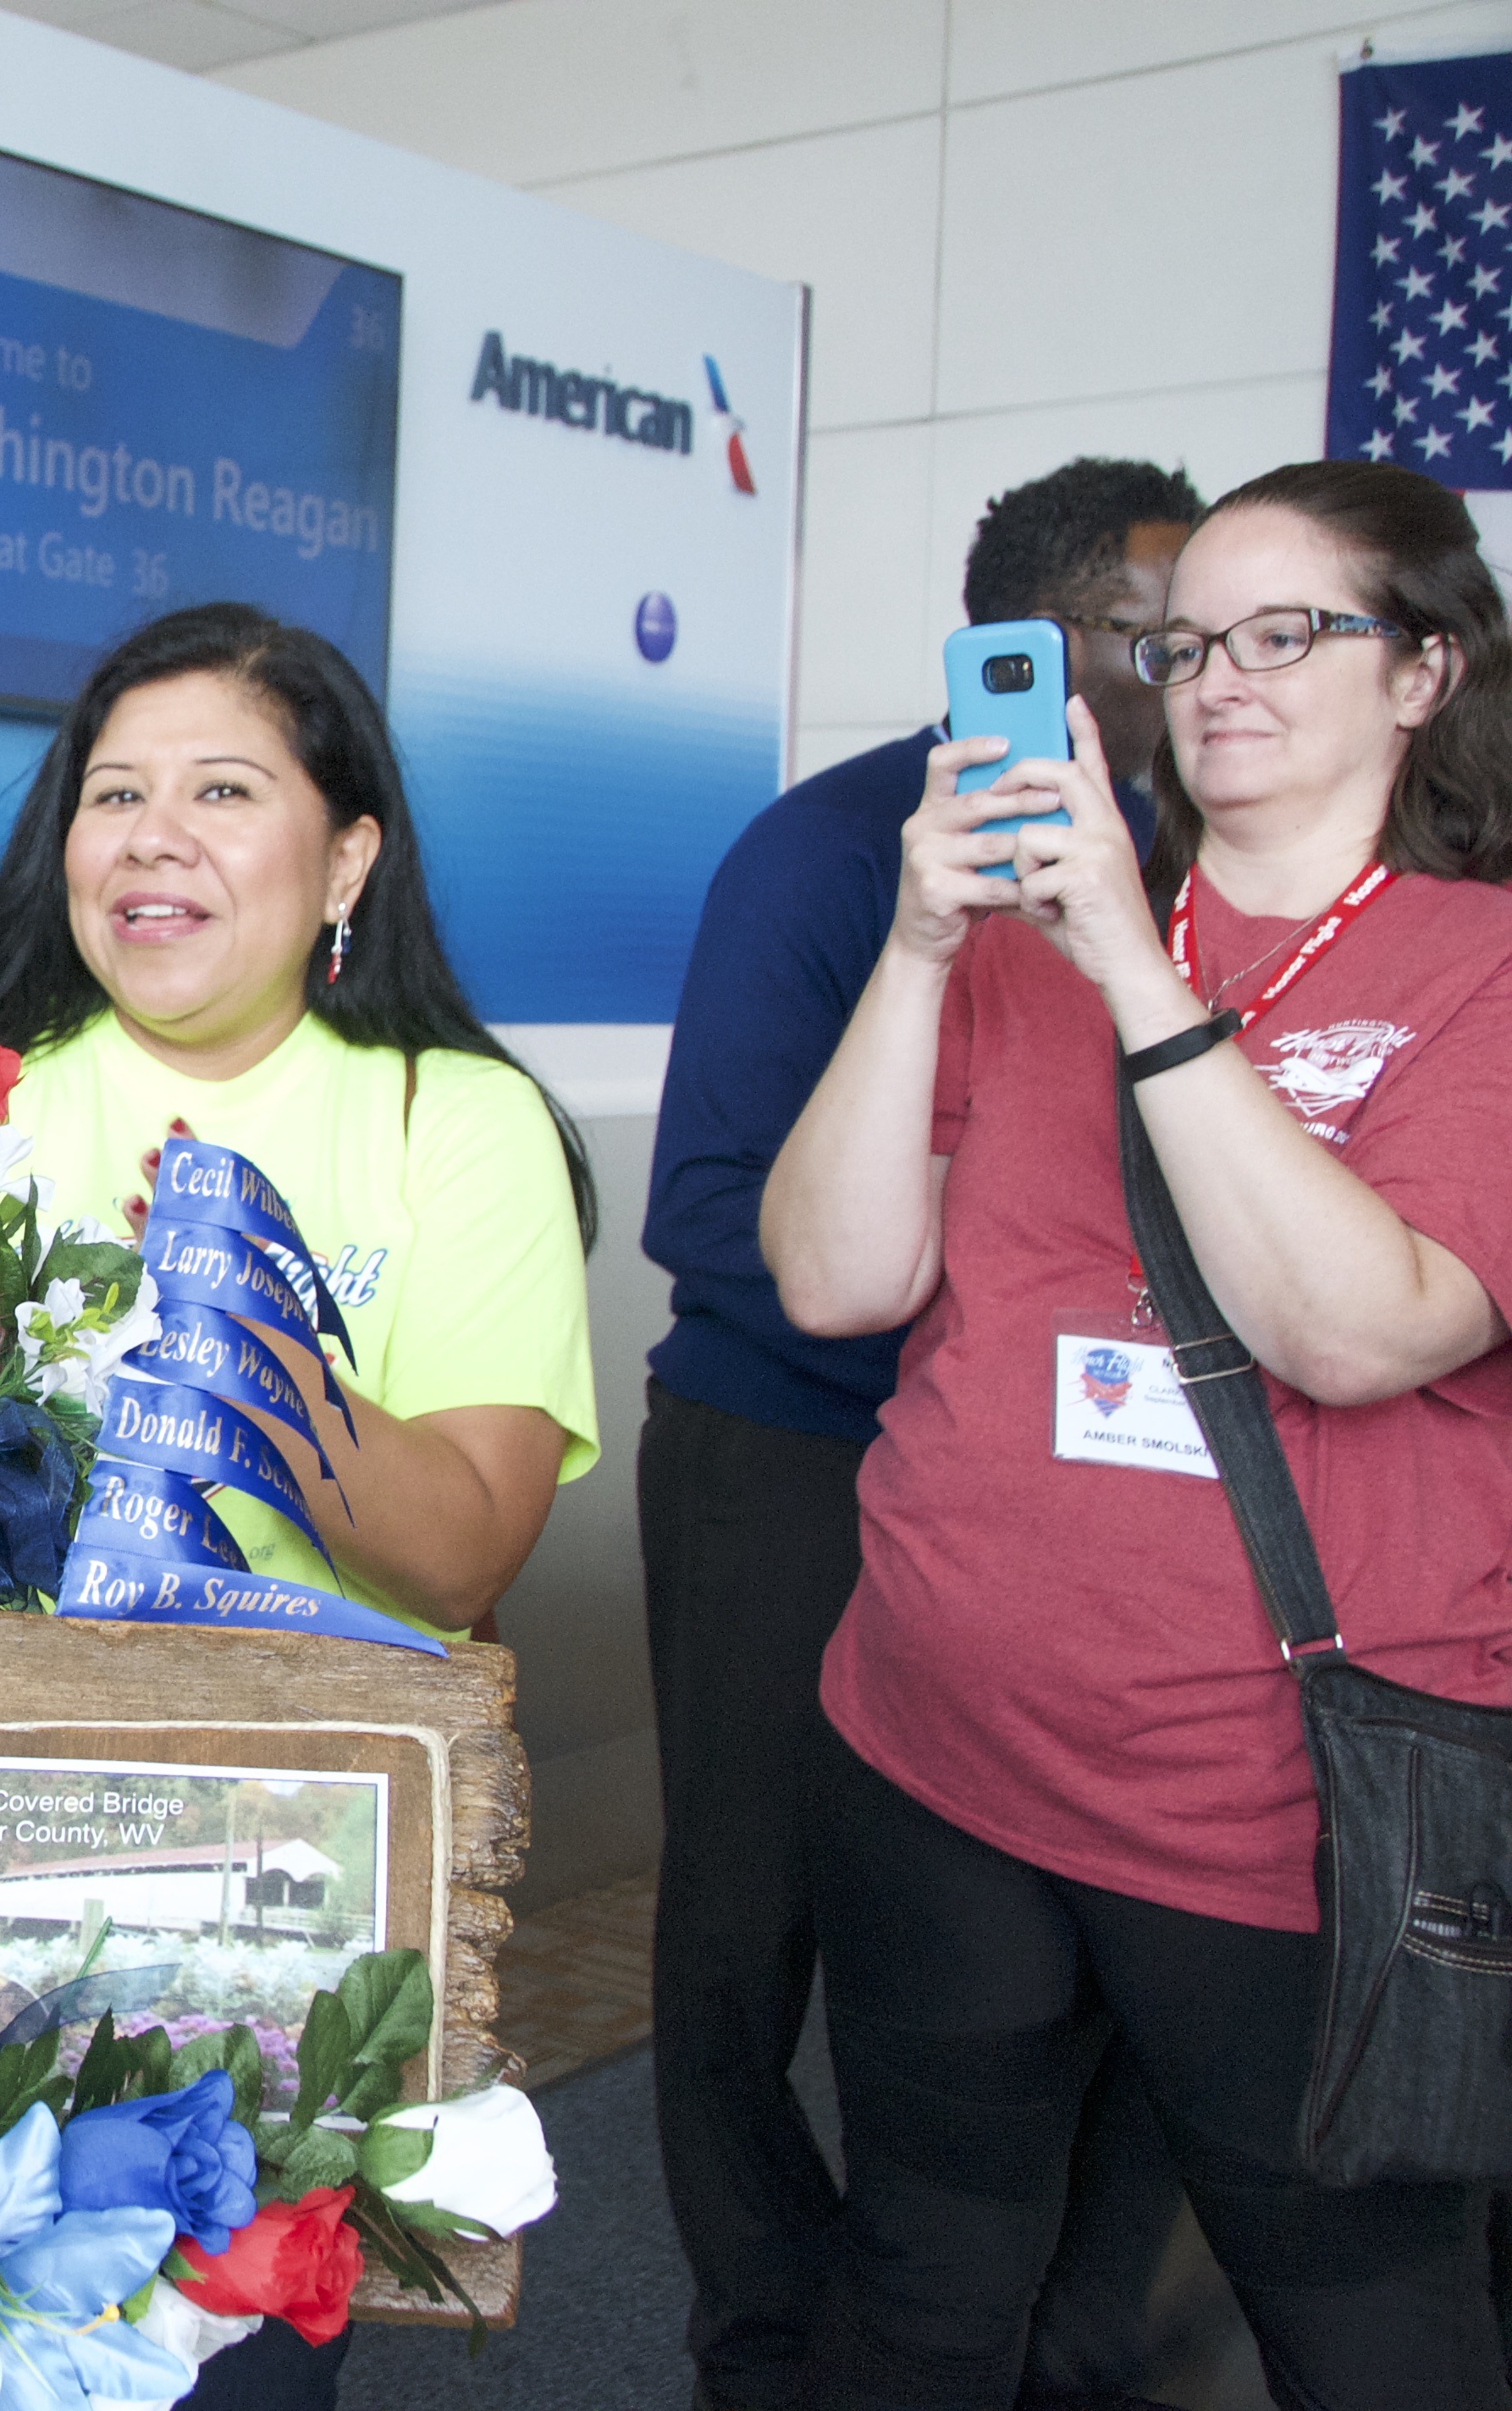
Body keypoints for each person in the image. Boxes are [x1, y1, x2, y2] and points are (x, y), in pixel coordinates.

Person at [762, 457, 1512, 2408]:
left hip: (1276, 1804)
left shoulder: (1478, 967)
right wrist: (926, 949)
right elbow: (828, 1277)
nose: (1219, 674)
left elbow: (1360, 1331)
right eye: (1187, 641)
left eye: (1290, 631)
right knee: (923, 2263)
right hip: (935, 1745)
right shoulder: (1004, 950)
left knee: (1361, 2318)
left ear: (1422, 671)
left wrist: (1132, 964)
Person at [0, 601, 598, 2407]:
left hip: (268, 1873)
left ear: (346, 855)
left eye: (222, 789)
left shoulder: (454, 1120)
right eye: (112, 794)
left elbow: (464, 1537)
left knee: (198, 2360)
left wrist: (228, 1323)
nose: (148, 834)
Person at [640, 457, 1203, 2411]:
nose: (1198, 670)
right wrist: (977, 1269)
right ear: (1042, 649)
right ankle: (758, 2324)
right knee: (741, 1925)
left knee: (1035, 1937)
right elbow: (701, 1210)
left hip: (1029, 1498)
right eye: (1163, 633)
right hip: (784, 1452)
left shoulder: (1179, 873)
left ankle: (1007, 2313)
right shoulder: (822, 857)